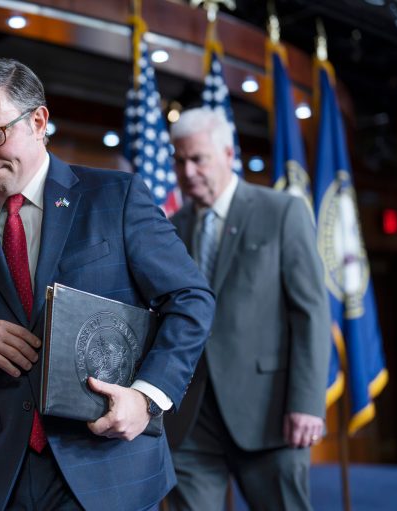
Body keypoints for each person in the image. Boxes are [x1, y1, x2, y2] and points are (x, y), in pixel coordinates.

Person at [0, 57, 215, 511]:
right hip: (9, 474)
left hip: (110, 461)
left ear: (39, 121)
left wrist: (146, 399)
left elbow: (190, 300)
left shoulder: (115, 197)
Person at [164, 108, 331, 511]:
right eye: (179, 159)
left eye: (198, 158)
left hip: (270, 412)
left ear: (227, 153)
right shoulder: (171, 227)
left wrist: (307, 403)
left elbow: (310, 313)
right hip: (190, 419)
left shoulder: (282, 212)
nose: (187, 171)